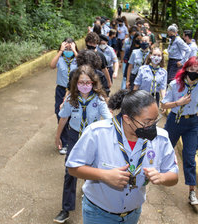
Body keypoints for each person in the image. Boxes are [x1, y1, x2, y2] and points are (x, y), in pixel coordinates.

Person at [65, 89, 179, 224]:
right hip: (98, 214)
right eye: (147, 122)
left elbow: (174, 176)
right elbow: (73, 168)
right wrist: (104, 175)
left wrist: (162, 177)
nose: (152, 127)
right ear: (127, 118)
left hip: (133, 214)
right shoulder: (97, 133)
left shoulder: (161, 139)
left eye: (155, 121)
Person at [53, 65, 112, 223]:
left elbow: (108, 119)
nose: (84, 85)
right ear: (75, 83)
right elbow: (63, 119)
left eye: (88, 82)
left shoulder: (99, 100)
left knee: (92, 171)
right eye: (81, 82)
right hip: (74, 137)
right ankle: (66, 209)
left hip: (92, 139)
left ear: (93, 83)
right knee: (70, 171)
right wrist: (58, 136)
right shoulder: (71, 99)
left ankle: (91, 200)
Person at [161, 56, 198, 206]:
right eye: (191, 69)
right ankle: (155, 172)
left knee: (189, 156)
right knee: (165, 148)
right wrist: (178, 103)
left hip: (192, 123)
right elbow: (164, 105)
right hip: (175, 120)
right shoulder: (175, 84)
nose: (194, 72)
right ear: (186, 68)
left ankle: (192, 192)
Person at [50, 38, 78, 155]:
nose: (68, 50)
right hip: (61, 90)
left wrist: (74, 50)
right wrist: (61, 51)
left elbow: (85, 63)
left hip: (74, 90)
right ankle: (64, 142)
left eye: (70, 48)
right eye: (66, 48)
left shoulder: (77, 60)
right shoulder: (60, 59)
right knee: (60, 113)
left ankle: (72, 141)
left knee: (72, 116)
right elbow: (51, 65)